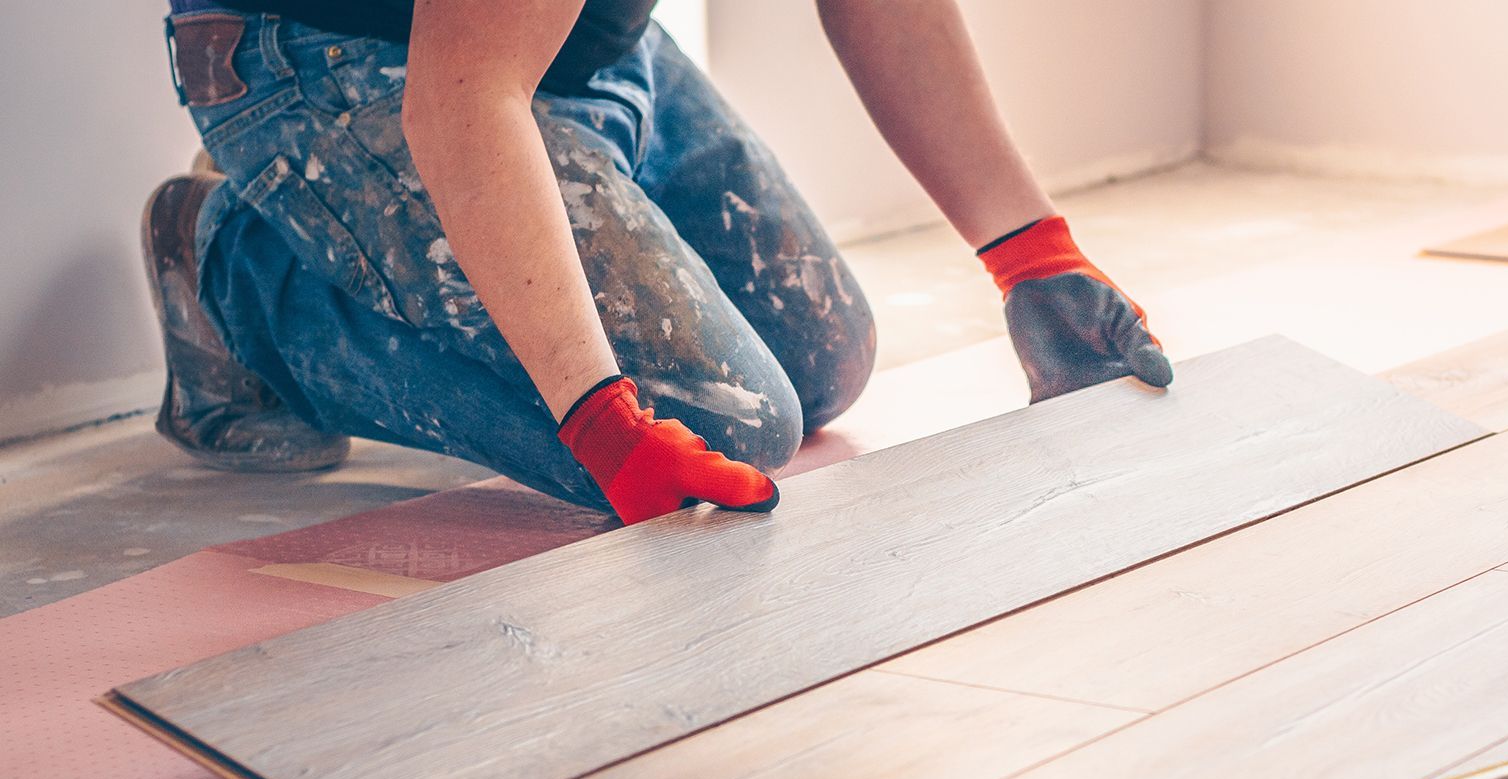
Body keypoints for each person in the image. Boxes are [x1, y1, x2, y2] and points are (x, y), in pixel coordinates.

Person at [145, 0, 1173, 524]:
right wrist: (600, 419)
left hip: (582, 47)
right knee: (730, 425)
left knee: (827, 361)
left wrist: (1033, 256)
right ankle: (233, 273)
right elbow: (463, 94)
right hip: (341, 63)